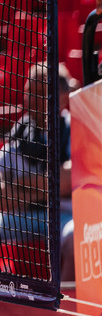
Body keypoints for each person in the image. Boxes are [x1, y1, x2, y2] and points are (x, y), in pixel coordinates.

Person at [1, 63, 72, 249]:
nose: (32, 100)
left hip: (64, 216)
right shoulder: (19, 132)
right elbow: (3, 195)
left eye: (41, 92)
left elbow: (71, 179)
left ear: (63, 97)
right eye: (29, 92)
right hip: (24, 218)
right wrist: (48, 188)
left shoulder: (75, 127)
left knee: (72, 237)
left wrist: (22, 186)